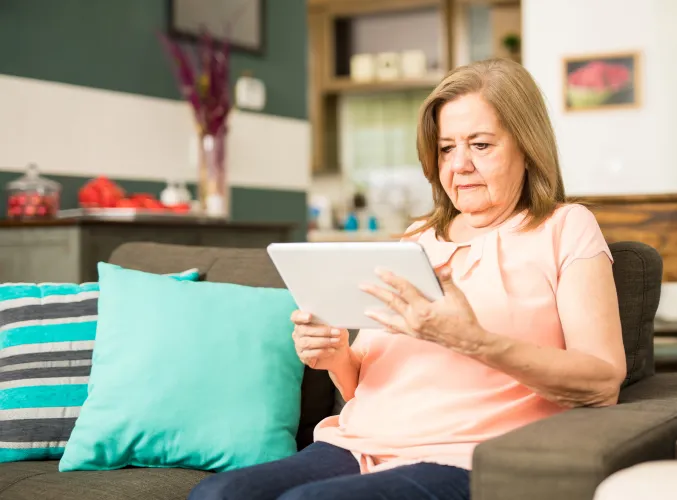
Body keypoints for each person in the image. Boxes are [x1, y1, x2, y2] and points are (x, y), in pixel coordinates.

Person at [189, 58, 626, 500]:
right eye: (446, 148)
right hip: (359, 442)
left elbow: (603, 382)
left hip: (468, 454)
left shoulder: (565, 227)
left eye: (480, 145)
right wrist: (336, 356)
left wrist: (474, 341)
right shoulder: (418, 238)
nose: (459, 165)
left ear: (527, 148)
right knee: (218, 495)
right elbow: (362, 382)